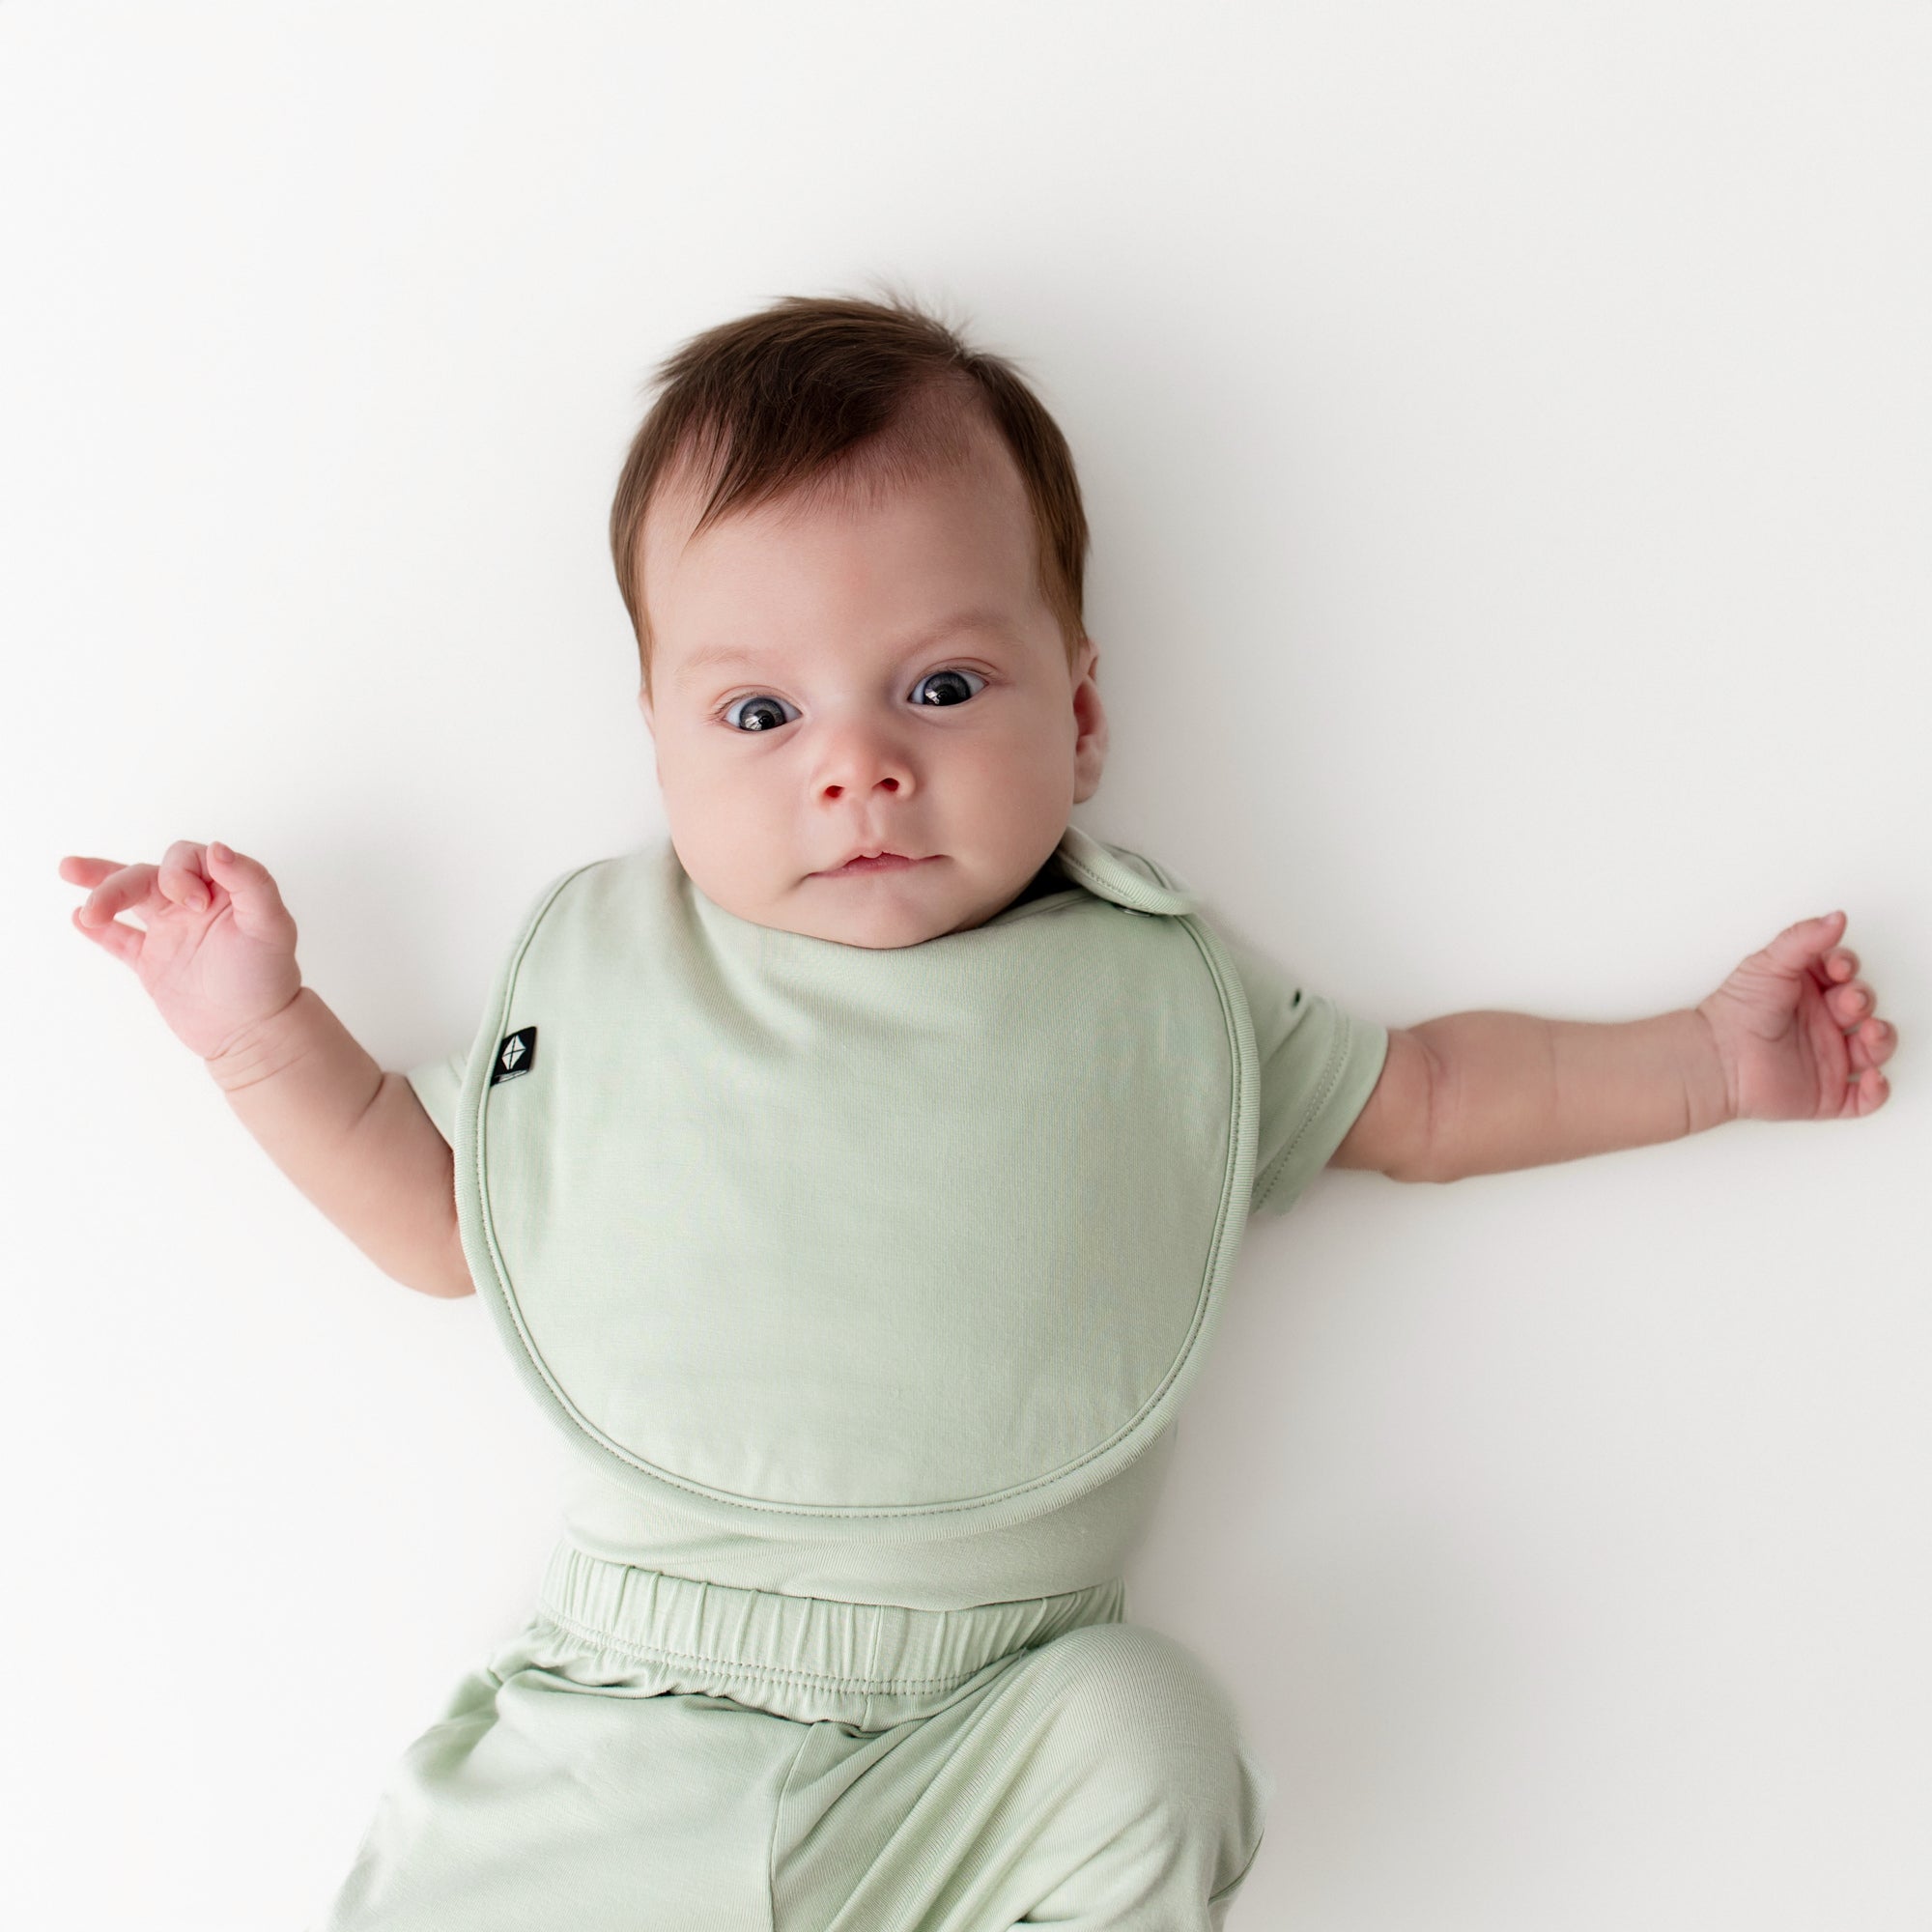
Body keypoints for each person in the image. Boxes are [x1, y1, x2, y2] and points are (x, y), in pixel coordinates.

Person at [58, 293, 1895, 1930]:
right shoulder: (610, 977)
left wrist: (1705, 1062)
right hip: (623, 1711)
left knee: (1153, 1740)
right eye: (759, 713)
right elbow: (443, 1220)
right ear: (656, 737)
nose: (858, 760)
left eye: (943, 686)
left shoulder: (1152, 982)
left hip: (991, 1722)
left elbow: (1424, 1092)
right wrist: (259, 1025)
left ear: (1080, 717)